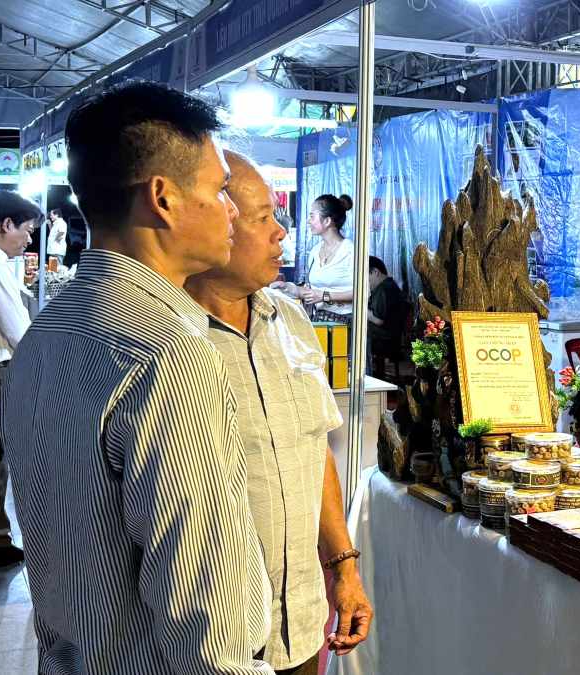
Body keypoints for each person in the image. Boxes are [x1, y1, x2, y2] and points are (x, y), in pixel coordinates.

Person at [0, 80, 275, 673]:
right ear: (163, 198)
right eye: (219, 190)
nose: (231, 211)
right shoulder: (169, 352)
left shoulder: (45, 335)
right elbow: (203, 608)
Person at [185, 150, 372, 674]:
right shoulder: (171, 339)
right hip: (214, 639)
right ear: (215, 220)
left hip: (305, 619)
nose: (281, 234)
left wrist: (342, 568)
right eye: (264, 218)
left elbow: (315, 450)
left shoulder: (288, 319)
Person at [0, 190, 38, 572]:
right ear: (6, 225)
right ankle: (7, 541)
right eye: (26, 230)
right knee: (8, 458)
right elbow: (20, 333)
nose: (28, 240)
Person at [295, 193, 354, 322]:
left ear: (327, 221)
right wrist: (291, 289)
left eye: (312, 216)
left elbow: (362, 293)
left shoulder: (351, 251)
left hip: (346, 323)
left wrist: (325, 296)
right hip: (320, 320)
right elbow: (311, 290)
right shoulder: (315, 251)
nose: (309, 221)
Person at [366, 255, 407, 378]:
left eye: (366, 277)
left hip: (384, 339)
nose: (365, 282)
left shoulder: (384, 289)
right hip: (392, 338)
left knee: (353, 332)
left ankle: (365, 374)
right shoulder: (390, 285)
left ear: (375, 272)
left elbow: (378, 320)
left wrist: (360, 308)